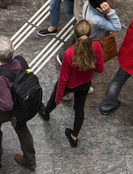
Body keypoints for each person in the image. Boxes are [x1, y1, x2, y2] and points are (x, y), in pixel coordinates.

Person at [40, 19, 103, 148]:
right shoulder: (96, 47)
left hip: (70, 85)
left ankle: (46, 113)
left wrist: (58, 99)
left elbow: (63, 79)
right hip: (85, 84)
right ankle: (74, 137)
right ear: (91, 33)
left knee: (54, 93)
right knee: (79, 109)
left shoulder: (69, 54)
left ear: (75, 35)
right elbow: (100, 69)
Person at [0, 38, 36, 170]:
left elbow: (6, 105)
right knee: (21, 127)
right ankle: (30, 159)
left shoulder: (1, 78)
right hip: (26, 103)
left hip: (14, 108)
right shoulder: (20, 61)